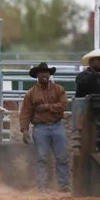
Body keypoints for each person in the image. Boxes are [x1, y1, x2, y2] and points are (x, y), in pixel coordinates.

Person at [20, 63, 69, 192]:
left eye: (46, 72)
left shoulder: (58, 89)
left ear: (50, 74)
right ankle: (42, 187)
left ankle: (63, 186)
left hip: (56, 125)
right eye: (41, 72)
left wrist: (47, 107)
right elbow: (25, 112)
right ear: (37, 75)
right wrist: (24, 130)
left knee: (62, 157)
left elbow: (64, 105)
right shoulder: (31, 93)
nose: (44, 75)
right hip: (40, 127)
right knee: (41, 158)